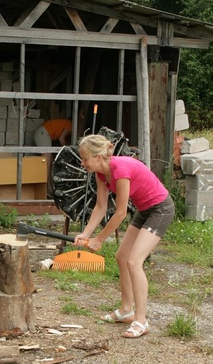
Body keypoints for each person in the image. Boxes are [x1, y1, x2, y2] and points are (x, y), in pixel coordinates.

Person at [75, 134, 175, 339]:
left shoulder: (120, 170)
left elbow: (120, 212)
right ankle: (127, 311)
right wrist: (85, 234)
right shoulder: (100, 174)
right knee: (122, 257)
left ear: (98, 156)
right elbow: (101, 207)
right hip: (145, 210)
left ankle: (141, 320)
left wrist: (99, 239)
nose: (82, 162)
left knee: (133, 261)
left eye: (85, 158)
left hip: (160, 209)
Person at [34, 119, 72, 196]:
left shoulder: (65, 123)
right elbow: (61, 139)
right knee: (46, 164)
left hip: (42, 133)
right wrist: (65, 152)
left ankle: (49, 188)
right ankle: (45, 190)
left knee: (50, 163)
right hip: (43, 134)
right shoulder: (70, 125)